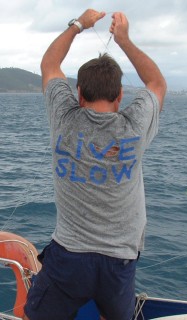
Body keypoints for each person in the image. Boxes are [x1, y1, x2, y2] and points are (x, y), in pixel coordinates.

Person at [23, 8, 167, 320]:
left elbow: (49, 64)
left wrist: (79, 25)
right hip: (120, 262)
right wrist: (124, 40)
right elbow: (156, 82)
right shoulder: (134, 125)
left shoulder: (64, 116)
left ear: (78, 94)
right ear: (120, 95)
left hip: (69, 257)